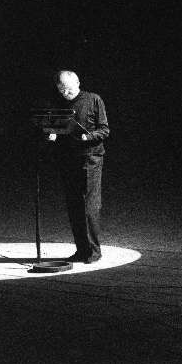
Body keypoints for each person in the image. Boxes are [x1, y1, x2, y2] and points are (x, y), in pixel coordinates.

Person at [47, 70, 109, 263]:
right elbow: (56, 126)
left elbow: (104, 130)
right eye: (61, 89)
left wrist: (88, 137)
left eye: (69, 89)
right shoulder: (59, 104)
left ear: (78, 83)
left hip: (90, 158)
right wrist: (53, 133)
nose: (65, 93)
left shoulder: (93, 100)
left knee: (89, 207)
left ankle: (93, 252)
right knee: (74, 205)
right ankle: (81, 250)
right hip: (68, 159)